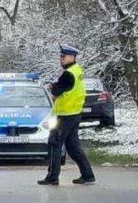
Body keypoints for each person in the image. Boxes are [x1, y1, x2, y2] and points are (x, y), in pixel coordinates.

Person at [38, 44, 96, 186]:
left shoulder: (68, 73)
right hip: (75, 113)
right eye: (60, 56)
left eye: (63, 56)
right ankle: (88, 175)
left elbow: (57, 91)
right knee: (73, 146)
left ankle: (52, 176)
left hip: (66, 114)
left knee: (54, 143)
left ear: (71, 57)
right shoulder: (77, 70)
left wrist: (54, 87)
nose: (61, 59)